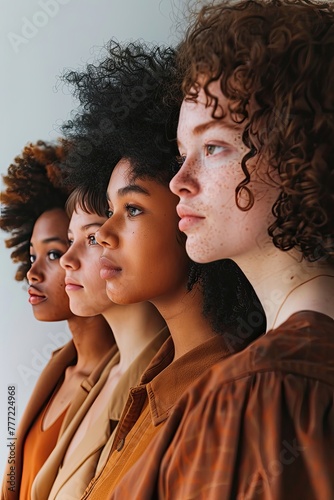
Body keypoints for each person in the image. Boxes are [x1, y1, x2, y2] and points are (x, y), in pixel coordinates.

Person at [107, 1, 334, 498]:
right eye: (182, 151)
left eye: (213, 147)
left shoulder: (263, 391)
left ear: (301, 152)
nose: (179, 181)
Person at [57, 40, 265, 498]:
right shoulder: (152, 382)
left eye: (130, 209)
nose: (102, 234)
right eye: (109, 209)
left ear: (189, 207)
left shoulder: (226, 401)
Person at [31, 186, 168, 500]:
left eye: (91, 238)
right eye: (70, 239)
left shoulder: (163, 386)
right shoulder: (99, 378)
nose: (67, 259)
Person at [0, 141, 115, 500]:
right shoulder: (58, 370)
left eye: (54, 251)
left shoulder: (121, 379)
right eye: (32, 254)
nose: (32, 272)